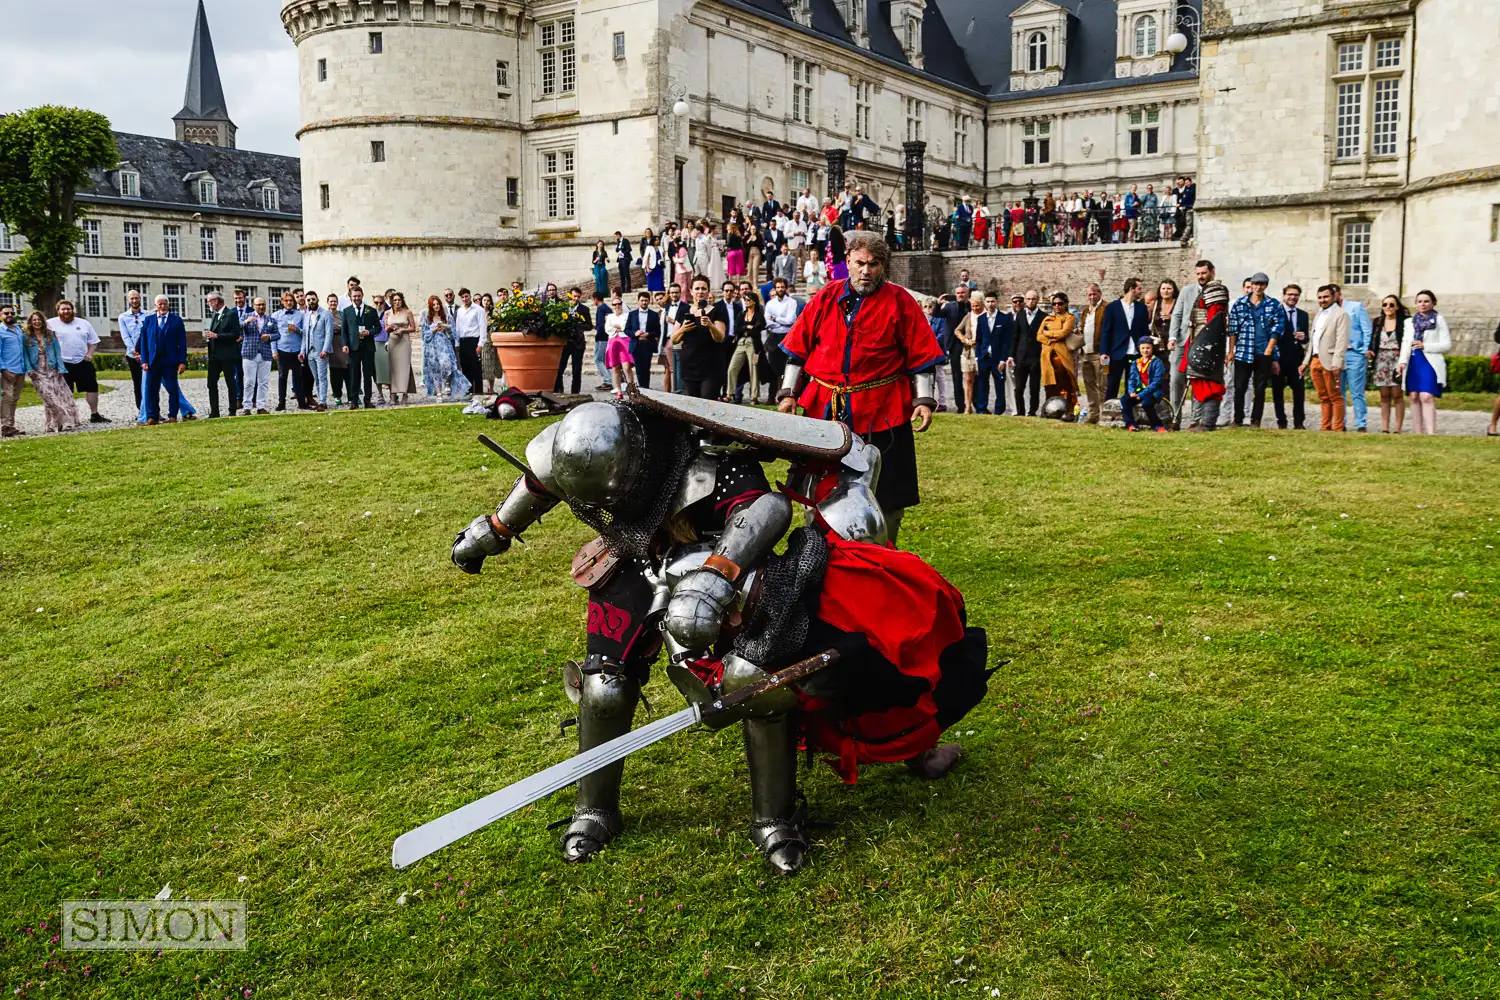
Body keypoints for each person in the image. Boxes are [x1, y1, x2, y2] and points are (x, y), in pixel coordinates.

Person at [777, 231, 943, 545]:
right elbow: (796, 349)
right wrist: (788, 394)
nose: (866, 270)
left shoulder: (900, 302)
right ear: (849, 263)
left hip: (884, 413)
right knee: (818, 488)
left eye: (874, 264)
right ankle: (817, 549)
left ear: (884, 266)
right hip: (827, 410)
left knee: (888, 494)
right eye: (860, 263)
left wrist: (923, 400)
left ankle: (883, 553)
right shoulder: (826, 297)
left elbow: (922, 355)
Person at [1227, 272, 1285, 428]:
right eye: (1256, 284)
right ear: (1251, 285)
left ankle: (1255, 419)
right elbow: (1233, 329)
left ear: (1265, 286)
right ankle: (1238, 418)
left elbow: (1278, 328)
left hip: (1263, 350)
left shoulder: (1274, 305)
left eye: (1262, 284)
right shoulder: (1240, 304)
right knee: (1240, 386)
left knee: (1260, 388)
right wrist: (1231, 351)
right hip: (1243, 350)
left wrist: (1269, 349)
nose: (1258, 287)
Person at [1182, 262, 1231, 432]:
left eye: (1204, 273)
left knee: (1210, 383)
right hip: (1200, 340)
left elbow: (1214, 321)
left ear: (1212, 271)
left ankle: (1207, 423)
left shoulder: (1215, 290)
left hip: (1208, 343)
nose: (1201, 276)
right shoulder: (1204, 291)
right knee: (1200, 381)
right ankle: (1201, 421)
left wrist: (1206, 345)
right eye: (1198, 273)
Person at [1398, 290, 1450, 436]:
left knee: (1426, 396)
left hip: (1430, 361)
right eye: (1419, 301)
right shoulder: (1409, 322)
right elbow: (1405, 342)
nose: (1423, 304)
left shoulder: (1439, 320)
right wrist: (1402, 361)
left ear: (1433, 302)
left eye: (1426, 301)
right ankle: (1418, 433)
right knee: (1413, 396)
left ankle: (1431, 433)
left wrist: (1425, 346)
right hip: (1413, 361)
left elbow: (1446, 345)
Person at [1300, 285, 1350, 433]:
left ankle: (1338, 428)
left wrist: (1337, 363)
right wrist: (1305, 362)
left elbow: (1342, 341)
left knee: (1335, 396)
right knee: (1322, 396)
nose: (1322, 300)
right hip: (1315, 360)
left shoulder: (1341, 314)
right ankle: (1325, 426)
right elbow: (1314, 340)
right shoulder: (1318, 314)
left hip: (1330, 360)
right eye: (1320, 297)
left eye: (1326, 297)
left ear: (1333, 297)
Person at [47, 301, 108, 424]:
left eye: (68, 309)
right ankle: (68, 417)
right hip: (62, 363)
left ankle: (94, 414)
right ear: (58, 311)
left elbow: (93, 341)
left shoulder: (84, 323)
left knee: (92, 387)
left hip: (82, 361)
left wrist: (89, 354)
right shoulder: (50, 324)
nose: (66, 312)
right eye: (63, 309)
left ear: (72, 310)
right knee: (65, 391)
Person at [21, 311, 78, 433]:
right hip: (37, 371)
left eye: (39, 319)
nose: (37, 322)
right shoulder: (26, 337)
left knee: (60, 395)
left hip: (52, 369)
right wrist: (29, 369)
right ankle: (65, 420)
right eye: (34, 320)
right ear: (31, 322)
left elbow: (57, 352)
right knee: (48, 397)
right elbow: (24, 355)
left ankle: (50, 425)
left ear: (42, 321)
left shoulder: (50, 334)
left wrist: (61, 368)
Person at [672, 275, 727, 399]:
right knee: (692, 404)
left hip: (711, 367)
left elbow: (720, 338)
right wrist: (683, 329)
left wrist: (710, 326)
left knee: (708, 402)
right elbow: (674, 339)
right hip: (689, 366)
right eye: (697, 288)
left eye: (703, 288)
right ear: (691, 291)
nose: (700, 292)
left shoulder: (717, 311)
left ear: (708, 291)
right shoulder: (683, 311)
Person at [138, 295, 188, 426]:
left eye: (165, 303)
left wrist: (182, 361)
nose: (162, 306)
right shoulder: (148, 321)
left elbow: (182, 343)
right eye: (160, 304)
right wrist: (144, 360)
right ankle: (152, 416)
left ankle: (172, 415)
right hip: (153, 361)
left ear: (168, 304)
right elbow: (143, 342)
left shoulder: (176, 320)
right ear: (156, 305)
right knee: (151, 390)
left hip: (170, 361)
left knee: (172, 389)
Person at [1100, 279, 1150, 402]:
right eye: (1139, 288)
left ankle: (1129, 413)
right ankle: (1108, 412)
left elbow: (1144, 331)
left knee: (1133, 385)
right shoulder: (1112, 307)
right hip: (1117, 352)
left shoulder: (1141, 308)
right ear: (1131, 289)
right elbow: (1106, 331)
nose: (1141, 291)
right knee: (1112, 385)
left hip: (1135, 353)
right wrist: (1104, 352)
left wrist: (1146, 350)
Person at [1038, 291, 1079, 418]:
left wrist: (1048, 333)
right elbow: (1039, 336)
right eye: (1054, 304)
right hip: (1047, 357)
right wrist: (1051, 339)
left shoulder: (1069, 317)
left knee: (1066, 384)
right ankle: (1049, 410)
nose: (1057, 306)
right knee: (1050, 385)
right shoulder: (1047, 319)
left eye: (1060, 304)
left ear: (1066, 304)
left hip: (1062, 357)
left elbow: (1064, 333)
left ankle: (1069, 411)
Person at [1337, 286, 1372, 432]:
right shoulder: (1328, 311)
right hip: (1337, 355)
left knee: (1357, 391)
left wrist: (1364, 349)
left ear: (1339, 294)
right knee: (1339, 392)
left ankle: (1361, 423)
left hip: (1354, 353)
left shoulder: (1356, 307)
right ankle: (1341, 423)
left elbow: (1366, 328)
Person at [1371, 294, 1407, 434]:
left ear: (1397, 307)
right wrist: (1370, 351)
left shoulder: (1404, 322)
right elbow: (1373, 339)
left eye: (1391, 305)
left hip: (1397, 358)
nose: (1388, 307)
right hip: (1381, 359)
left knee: (1398, 395)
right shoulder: (1378, 321)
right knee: (1384, 395)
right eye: (1385, 304)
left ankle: (1397, 428)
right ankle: (1385, 428)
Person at [202, 291, 242, 417]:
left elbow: (235, 334)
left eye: (209, 301)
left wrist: (217, 336)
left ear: (216, 301)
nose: (208, 303)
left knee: (230, 383)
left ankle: (232, 410)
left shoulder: (231, 314)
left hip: (228, 355)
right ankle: (215, 411)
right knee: (211, 383)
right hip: (214, 355)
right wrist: (210, 336)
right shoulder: (214, 314)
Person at [341, 287, 382, 410]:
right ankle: (354, 400)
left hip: (368, 347)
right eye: (354, 296)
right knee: (354, 375)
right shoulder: (346, 311)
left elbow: (378, 328)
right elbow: (344, 330)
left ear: (362, 295)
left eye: (358, 296)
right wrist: (345, 344)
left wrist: (369, 332)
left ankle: (367, 400)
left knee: (368, 374)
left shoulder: (371, 310)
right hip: (353, 348)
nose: (357, 298)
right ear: (351, 296)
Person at [421, 295, 467, 400]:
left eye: (438, 304)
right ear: (430, 306)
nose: (436, 306)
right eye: (434, 305)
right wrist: (434, 330)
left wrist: (446, 327)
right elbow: (424, 336)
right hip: (432, 347)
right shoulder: (427, 319)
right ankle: (439, 394)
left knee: (447, 365)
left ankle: (447, 384)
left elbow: (453, 334)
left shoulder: (447, 317)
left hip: (444, 345)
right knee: (435, 369)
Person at [974, 292, 1012, 416]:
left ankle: (999, 409)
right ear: (984, 303)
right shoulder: (981, 319)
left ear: (997, 302)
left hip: (997, 357)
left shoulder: (1004, 318)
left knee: (999, 384)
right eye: (988, 301)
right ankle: (982, 408)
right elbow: (979, 339)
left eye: (992, 301)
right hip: (984, 357)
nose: (990, 304)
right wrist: (977, 357)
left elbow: (1006, 341)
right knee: (982, 384)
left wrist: (1003, 359)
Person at [239, 297, 278, 414]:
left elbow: (278, 334)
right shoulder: (246, 316)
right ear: (254, 305)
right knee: (249, 381)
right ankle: (247, 406)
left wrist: (270, 337)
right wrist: (246, 322)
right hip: (249, 353)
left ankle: (261, 406)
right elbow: (238, 326)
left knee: (263, 382)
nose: (261, 307)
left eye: (263, 305)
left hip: (265, 354)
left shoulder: (271, 319)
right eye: (258, 305)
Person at [1009, 290, 1044, 417]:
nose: (1030, 302)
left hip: (1036, 356)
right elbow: (1015, 337)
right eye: (1028, 299)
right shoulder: (1020, 315)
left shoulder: (1043, 316)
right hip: (1021, 356)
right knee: (1019, 387)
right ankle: (1020, 411)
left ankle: (1032, 411)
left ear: (1037, 300)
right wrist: (1011, 355)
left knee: (1034, 387)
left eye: (1033, 299)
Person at [1122, 336, 1168, 432]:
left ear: (1152, 348)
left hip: (1152, 392)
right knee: (1125, 400)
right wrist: (1131, 391)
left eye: (1148, 348)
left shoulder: (1157, 362)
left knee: (1146, 404)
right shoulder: (1136, 362)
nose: (1145, 350)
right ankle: (1131, 424)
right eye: (1143, 348)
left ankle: (1157, 425)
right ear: (1139, 348)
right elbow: (1132, 379)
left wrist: (1142, 395)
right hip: (1139, 391)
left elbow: (1156, 382)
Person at [1077, 283, 1108, 424]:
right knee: (1089, 384)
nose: (1092, 297)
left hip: (1099, 352)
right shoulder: (1085, 311)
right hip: (1086, 352)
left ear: (1100, 293)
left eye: (1094, 294)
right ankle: (1093, 413)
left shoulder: (1106, 308)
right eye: (1089, 294)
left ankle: (1104, 413)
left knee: (1102, 384)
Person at [272, 291, 307, 411]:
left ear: (294, 301)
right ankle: (281, 402)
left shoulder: (301, 315)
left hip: (296, 350)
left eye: (291, 300)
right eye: (286, 300)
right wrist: (274, 350)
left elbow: (305, 334)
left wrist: (298, 330)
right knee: (282, 377)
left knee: (298, 377)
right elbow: (273, 335)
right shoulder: (276, 315)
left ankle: (302, 402)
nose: (289, 302)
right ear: (282, 302)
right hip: (282, 350)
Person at [952, 292, 983, 414]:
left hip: (981, 351)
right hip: (968, 352)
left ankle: (981, 406)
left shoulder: (986, 316)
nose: (975, 308)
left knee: (981, 380)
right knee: (968, 380)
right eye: (973, 306)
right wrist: (964, 339)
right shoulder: (968, 317)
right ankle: (968, 406)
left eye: (977, 306)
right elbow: (957, 330)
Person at [452, 288, 487, 401]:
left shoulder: (478, 309)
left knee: (475, 367)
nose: (465, 299)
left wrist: (481, 344)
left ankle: (478, 392)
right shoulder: (460, 310)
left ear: (470, 296)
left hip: (474, 340)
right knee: (465, 367)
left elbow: (482, 327)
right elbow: (458, 327)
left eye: (466, 296)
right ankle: (469, 390)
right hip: (463, 340)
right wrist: (457, 342)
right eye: (462, 297)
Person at [622, 291, 661, 391]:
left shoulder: (654, 315)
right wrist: (634, 334)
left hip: (647, 344)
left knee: (646, 368)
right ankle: (642, 389)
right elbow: (626, 330)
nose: (644, 302)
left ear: (649, 301)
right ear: (638, 301)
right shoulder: (632, 314)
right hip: (636, 344)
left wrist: (649, 334)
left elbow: (658, 331)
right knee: (639, 369)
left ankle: (646, 388)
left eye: (646, 301)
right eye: (642, 300)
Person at [384, 291, 417, 406]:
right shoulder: (387, 313)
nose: (397, 302)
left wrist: (403, 330)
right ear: (392, 301)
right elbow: (385, 328)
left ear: (402, 301)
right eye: (395, 300)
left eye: (399, 300)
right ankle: (393, 394)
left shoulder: (407, 312)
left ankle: (404, 394)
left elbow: (413, 328)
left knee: (404, 367)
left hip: (404, 341)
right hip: (393, 340)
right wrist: (389, 328)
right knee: (393, 367)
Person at [303, 291, 332, 412]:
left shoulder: (326, 314)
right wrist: (302, 351)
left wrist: (325, 349)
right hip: (310, 352)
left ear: (317, 299)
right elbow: (305, 335)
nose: (311, 302)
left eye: (313, 299)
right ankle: (321, 399)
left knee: (322, 377)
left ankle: (322, 402)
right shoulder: (306, 315)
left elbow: (328, 333)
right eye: (308, 300)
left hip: (321, 351)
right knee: (316, 377)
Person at [118, 290, 147, 408]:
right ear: (128, 300)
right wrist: (134, 351)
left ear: (140, 299)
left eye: (136, 298)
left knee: (150, 383)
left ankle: (153, 410)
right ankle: (141, 410)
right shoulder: (123, 317)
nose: (134, 301)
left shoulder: (148, 315)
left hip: (146, 354)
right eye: (132, 299)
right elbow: (125, 336)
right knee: (138, 383)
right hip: (132, 355)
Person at [0, 305, 26, 437]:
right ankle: (5, 426)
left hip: (21, 369)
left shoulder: (17, 329)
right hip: (8, 370)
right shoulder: (0, 331)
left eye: (11, 312)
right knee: (7, 397)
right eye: (6, 313)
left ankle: (10, 426)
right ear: (1, 315)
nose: (9, 315)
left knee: (14, 398)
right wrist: (3, 370)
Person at [602, 295, 635, 398]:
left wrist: (620, 328)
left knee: (627, 367)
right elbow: (607, 328)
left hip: (624, 341)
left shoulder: (627, 316)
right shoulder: (610, 317)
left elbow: (626, 327)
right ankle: (619, 391)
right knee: (615, 367)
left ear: (622, 305)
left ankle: (631, 389)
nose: (617, 306)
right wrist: (618, 328)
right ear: (612, 306)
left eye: (619, 304)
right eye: (614, 304)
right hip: (613, 342)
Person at [325, 293, 349, 407]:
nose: (333, 303)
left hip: (342, 344)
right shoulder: (325, 315)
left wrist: (336, 328)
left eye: (335, 301)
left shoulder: (342, 315)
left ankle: (351, 395)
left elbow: (346, 327)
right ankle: (337, 395)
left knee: (347, 371)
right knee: (335, 372)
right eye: (331, 301)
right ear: (327, 302)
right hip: (331, 346)